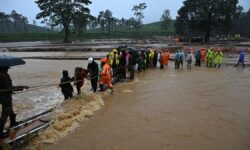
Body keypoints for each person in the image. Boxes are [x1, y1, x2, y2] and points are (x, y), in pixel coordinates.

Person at [0, 67, 29, 138]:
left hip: (3, 96)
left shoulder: (3, 74)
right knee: (5, 114)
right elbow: (10, 87)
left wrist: (19, 88)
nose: (8, 69)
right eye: (7, 67)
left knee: (10, 110)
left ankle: (13, 123)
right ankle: (0, 133)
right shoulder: (3, 75)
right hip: (5, 97)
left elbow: (6, 88)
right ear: (3, 68)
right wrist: (21, 87)